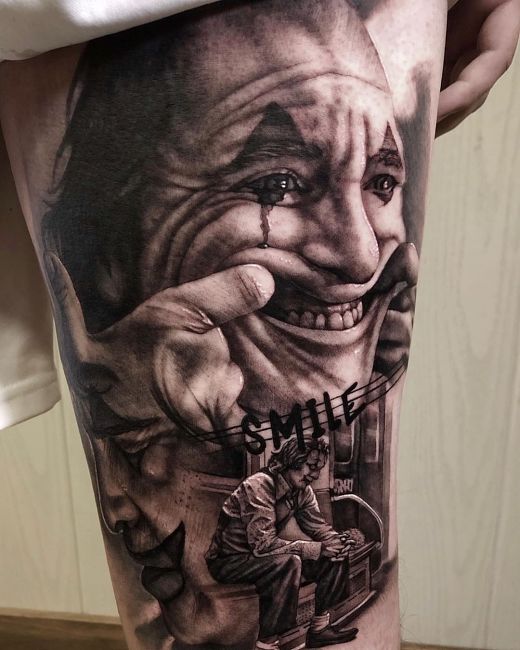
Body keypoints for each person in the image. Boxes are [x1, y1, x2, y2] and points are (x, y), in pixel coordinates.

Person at [0, 1, 517, 650]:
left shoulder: (295, 482)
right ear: (108, 253)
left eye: (382, 180)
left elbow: (308, 526)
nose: (363, 258)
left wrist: (331, 541)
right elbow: (256, 542)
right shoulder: (260, 486)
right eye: (277, 184)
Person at [207, 438, 357, 648]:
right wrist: (317, 549)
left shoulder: (302, 491)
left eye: (319, 468)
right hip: (230, 561)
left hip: (258, 557)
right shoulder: (259, 485)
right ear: (292, 460)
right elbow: (263, 545)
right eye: (311, 466)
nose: (315, 475)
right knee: (289, 562)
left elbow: (318, 527)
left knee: (333, 555)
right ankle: (267, 644)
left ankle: (319, 629)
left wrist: (336, 543)